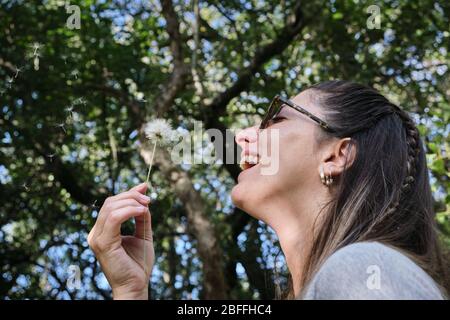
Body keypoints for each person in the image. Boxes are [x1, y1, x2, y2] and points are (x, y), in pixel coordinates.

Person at [88, 80, 447, 299]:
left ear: (336, 156)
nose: (242, 135)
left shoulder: (363, 269)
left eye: (276, 117)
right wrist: (131, 292)